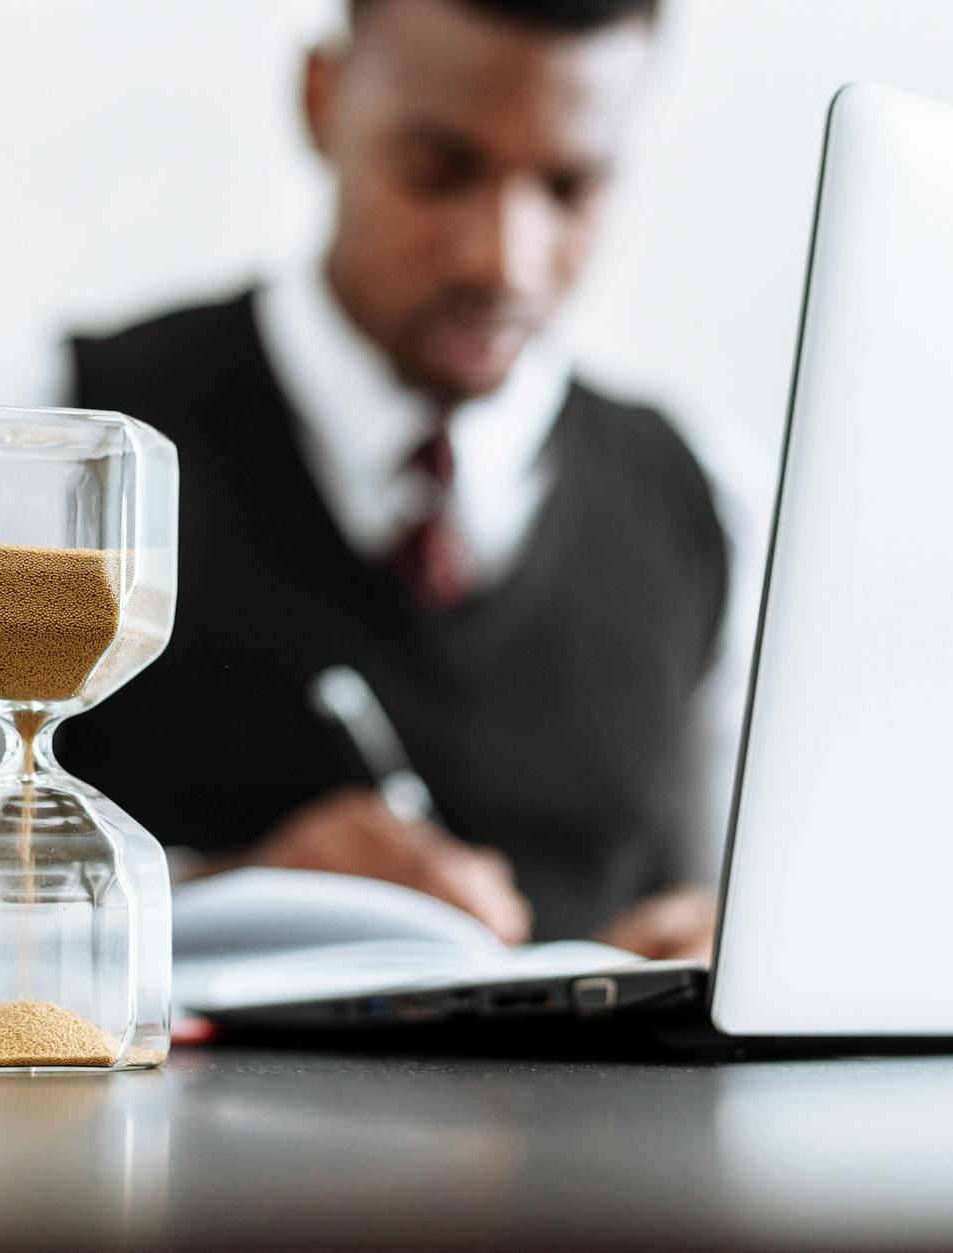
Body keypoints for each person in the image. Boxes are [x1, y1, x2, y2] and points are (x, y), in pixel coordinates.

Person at [60, 0, 755, 961]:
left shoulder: (706, 489)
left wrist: (733, 946)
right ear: (321, 99)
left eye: (570, 187)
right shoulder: (68, 439)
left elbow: (755, 910)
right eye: (439, 169)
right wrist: (214, 902)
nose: (501, 262)